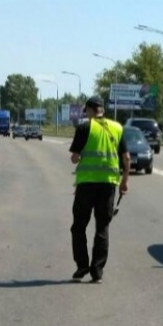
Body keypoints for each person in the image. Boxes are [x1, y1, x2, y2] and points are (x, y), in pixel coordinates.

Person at [68, 95, 130, 283]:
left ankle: (82, 265)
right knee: (102, 228)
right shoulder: (118, 128)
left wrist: (80, 156)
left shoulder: (85, 127)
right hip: (109, 184)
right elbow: (126, 158)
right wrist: (124, 181)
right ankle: (97, 271)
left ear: (88, 110)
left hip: (86, 184)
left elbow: (74, 158)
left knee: (79, 226)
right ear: (102, 109)